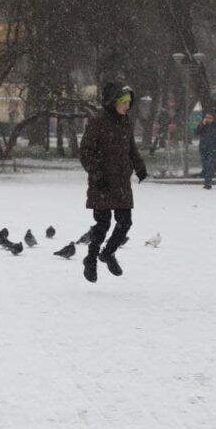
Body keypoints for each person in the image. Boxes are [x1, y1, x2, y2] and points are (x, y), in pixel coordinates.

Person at [79, 82, 148, 282]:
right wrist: (96, 172)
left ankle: (107, 253)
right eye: (123, 102)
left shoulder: (125, 121)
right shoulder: (97, 122)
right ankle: (90, 259)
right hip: (101, 183)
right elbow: (85, 152)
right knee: (102, 225)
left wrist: (139, 166)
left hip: (121, 183)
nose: (127, 106)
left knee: (125, 222)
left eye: (129, 102)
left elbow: (131, 148)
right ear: (113, 102)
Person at [195, 112, 216, 189]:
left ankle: (208, 183)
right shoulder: (203, 125)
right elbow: (196, 132)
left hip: (212, 148)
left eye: (209, 117)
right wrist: (202, 124)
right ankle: (207, 179)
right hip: (203, 148)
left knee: (210, 165)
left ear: (213, 119)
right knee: (205, 165)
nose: (208, 119)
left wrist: (215, 147)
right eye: (206, 117)